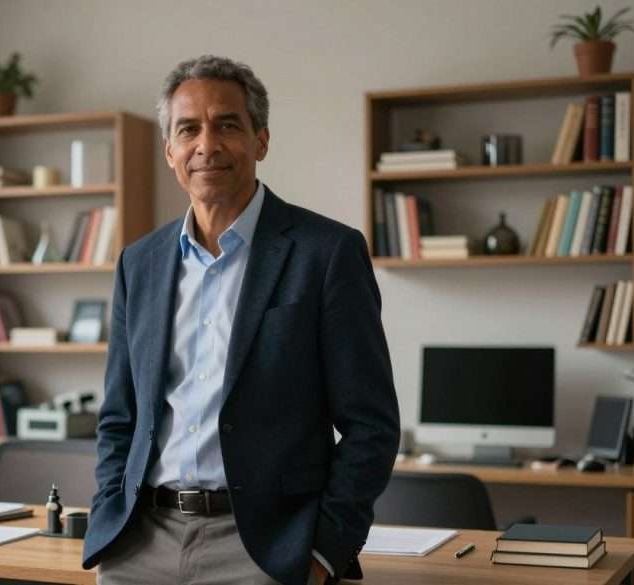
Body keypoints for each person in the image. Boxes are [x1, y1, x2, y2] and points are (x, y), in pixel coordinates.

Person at [83, 54, 400, 585]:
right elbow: (120, 415)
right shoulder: (139, 263)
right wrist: (107, 509)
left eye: (227, 125)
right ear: (170, 151)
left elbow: (372, 425)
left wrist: (325, 552)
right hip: (139, 544)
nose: (207, 145)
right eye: (188, 130)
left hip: (265, 550)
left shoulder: (326, 253)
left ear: (261, 141)